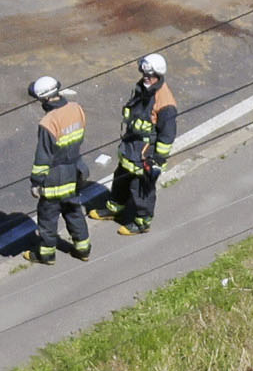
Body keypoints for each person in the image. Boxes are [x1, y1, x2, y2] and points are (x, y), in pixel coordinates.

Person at [102, 54, 179, 234]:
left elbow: (167, 134)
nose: (145, 77)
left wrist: (157, 159)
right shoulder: (143, 89)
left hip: (146, 154)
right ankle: (114, 208)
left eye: (149, 74)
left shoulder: (165, 102)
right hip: (131, 148)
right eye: (143, 72)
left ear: (157, 75)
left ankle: (142, 222)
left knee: (142, 189)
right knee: (120, 178)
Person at [26, 75, 91, 264]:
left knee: (48, 216)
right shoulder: (76, 109)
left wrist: (36, 182)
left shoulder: (48, 122)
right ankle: (83, 249)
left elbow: (43, 157)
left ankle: (46, 254)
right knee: (74, 211)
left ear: (44, 99)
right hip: (75, 170)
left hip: (55, 178)